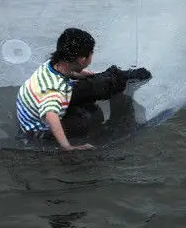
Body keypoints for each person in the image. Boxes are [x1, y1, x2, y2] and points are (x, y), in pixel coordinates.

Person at [16, 27, 151, 150]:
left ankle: (117, 78)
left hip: (39, 107)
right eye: (91, 53)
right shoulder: (54, 90)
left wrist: (81, 74)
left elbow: (68, 73)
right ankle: (111, 127)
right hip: (39, 130)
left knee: (92, 83)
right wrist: (68, 147)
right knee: (91, 116)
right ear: (82, 59)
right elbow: (51, 116)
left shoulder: (54, 64)